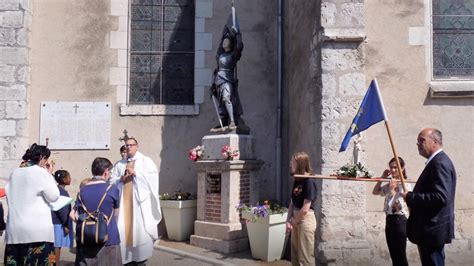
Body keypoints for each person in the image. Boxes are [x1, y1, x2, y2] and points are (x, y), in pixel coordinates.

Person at [401, 128, 457, 266]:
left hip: (432, 230)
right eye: (417, 141)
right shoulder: (437, 162)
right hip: (429, 231)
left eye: (422, 140)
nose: (418, 144)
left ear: (435, 142)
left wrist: (410, 197)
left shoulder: (439, 163)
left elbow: (440, 197)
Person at [4, 143, 59, 265]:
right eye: (46, 159)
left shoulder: (15, 173)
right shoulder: (40, 172)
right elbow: (54, 196)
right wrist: (49, 174)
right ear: (41, 157)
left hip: (15, 230)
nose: (46, 162)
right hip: (37, 232)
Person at [110, 137, 162, 265]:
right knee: (123, 230)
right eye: (126, 145)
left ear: (137, 146)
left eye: (131, 145)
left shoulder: (146, 161)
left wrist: (136, 173)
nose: (128, 147)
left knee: (139, 231)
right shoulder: (119, 164)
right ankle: (127, 260)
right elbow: (111, 180)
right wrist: (120, 179)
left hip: (139, 204)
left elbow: (153, 178)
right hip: (123, 204)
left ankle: (141, 260)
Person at [72, 157, 121, 265]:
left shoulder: (82, 191)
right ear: (106, 171)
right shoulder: (112, 189)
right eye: (110, 172)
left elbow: (73, 215)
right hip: (108, 237)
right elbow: (116, 215)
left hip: (86, 238)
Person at [372, 157, 411, 266]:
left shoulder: (405, 185)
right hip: (389, 221)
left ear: (402, 169)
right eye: (391, 167)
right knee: (394, 256)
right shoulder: (391, 184)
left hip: (400, 222)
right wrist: (382, 177)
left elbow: (397, 207)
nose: (393, 170)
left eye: (396, 167)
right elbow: (375, 192)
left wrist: (392, 191)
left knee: (400, 257)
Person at [286, 152, 317, 266]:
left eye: (292, 162)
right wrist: (288, 220)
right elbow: (292, 202)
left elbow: (305, 209)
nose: (290, 163)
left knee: (305, 258)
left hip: (305, 219)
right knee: (295, 255)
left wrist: (294, 221)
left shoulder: (309, 181)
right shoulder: (297, 179)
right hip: (295, 217)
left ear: (300, 164)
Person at [211, 22, 244, 130]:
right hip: (218, 79)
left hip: (228, 78)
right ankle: (224, 121)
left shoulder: (233, 55)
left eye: (227, 39)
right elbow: (220, 42)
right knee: (221, 101)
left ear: (231, 43)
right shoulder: (220, 54)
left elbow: (239, 47)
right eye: (225, 39)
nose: (225, 41)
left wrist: (237, 33)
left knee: (226, 98)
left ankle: (233, 121)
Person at [52, 170, 74, 265]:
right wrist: (66, 224)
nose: (70, 179)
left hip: (56, 222)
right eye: (69, 176)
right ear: (64, 179)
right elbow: (62, 210)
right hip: (59, 223)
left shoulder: (57, 190)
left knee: (57, 245)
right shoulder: (62, 192)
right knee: (57, 245)